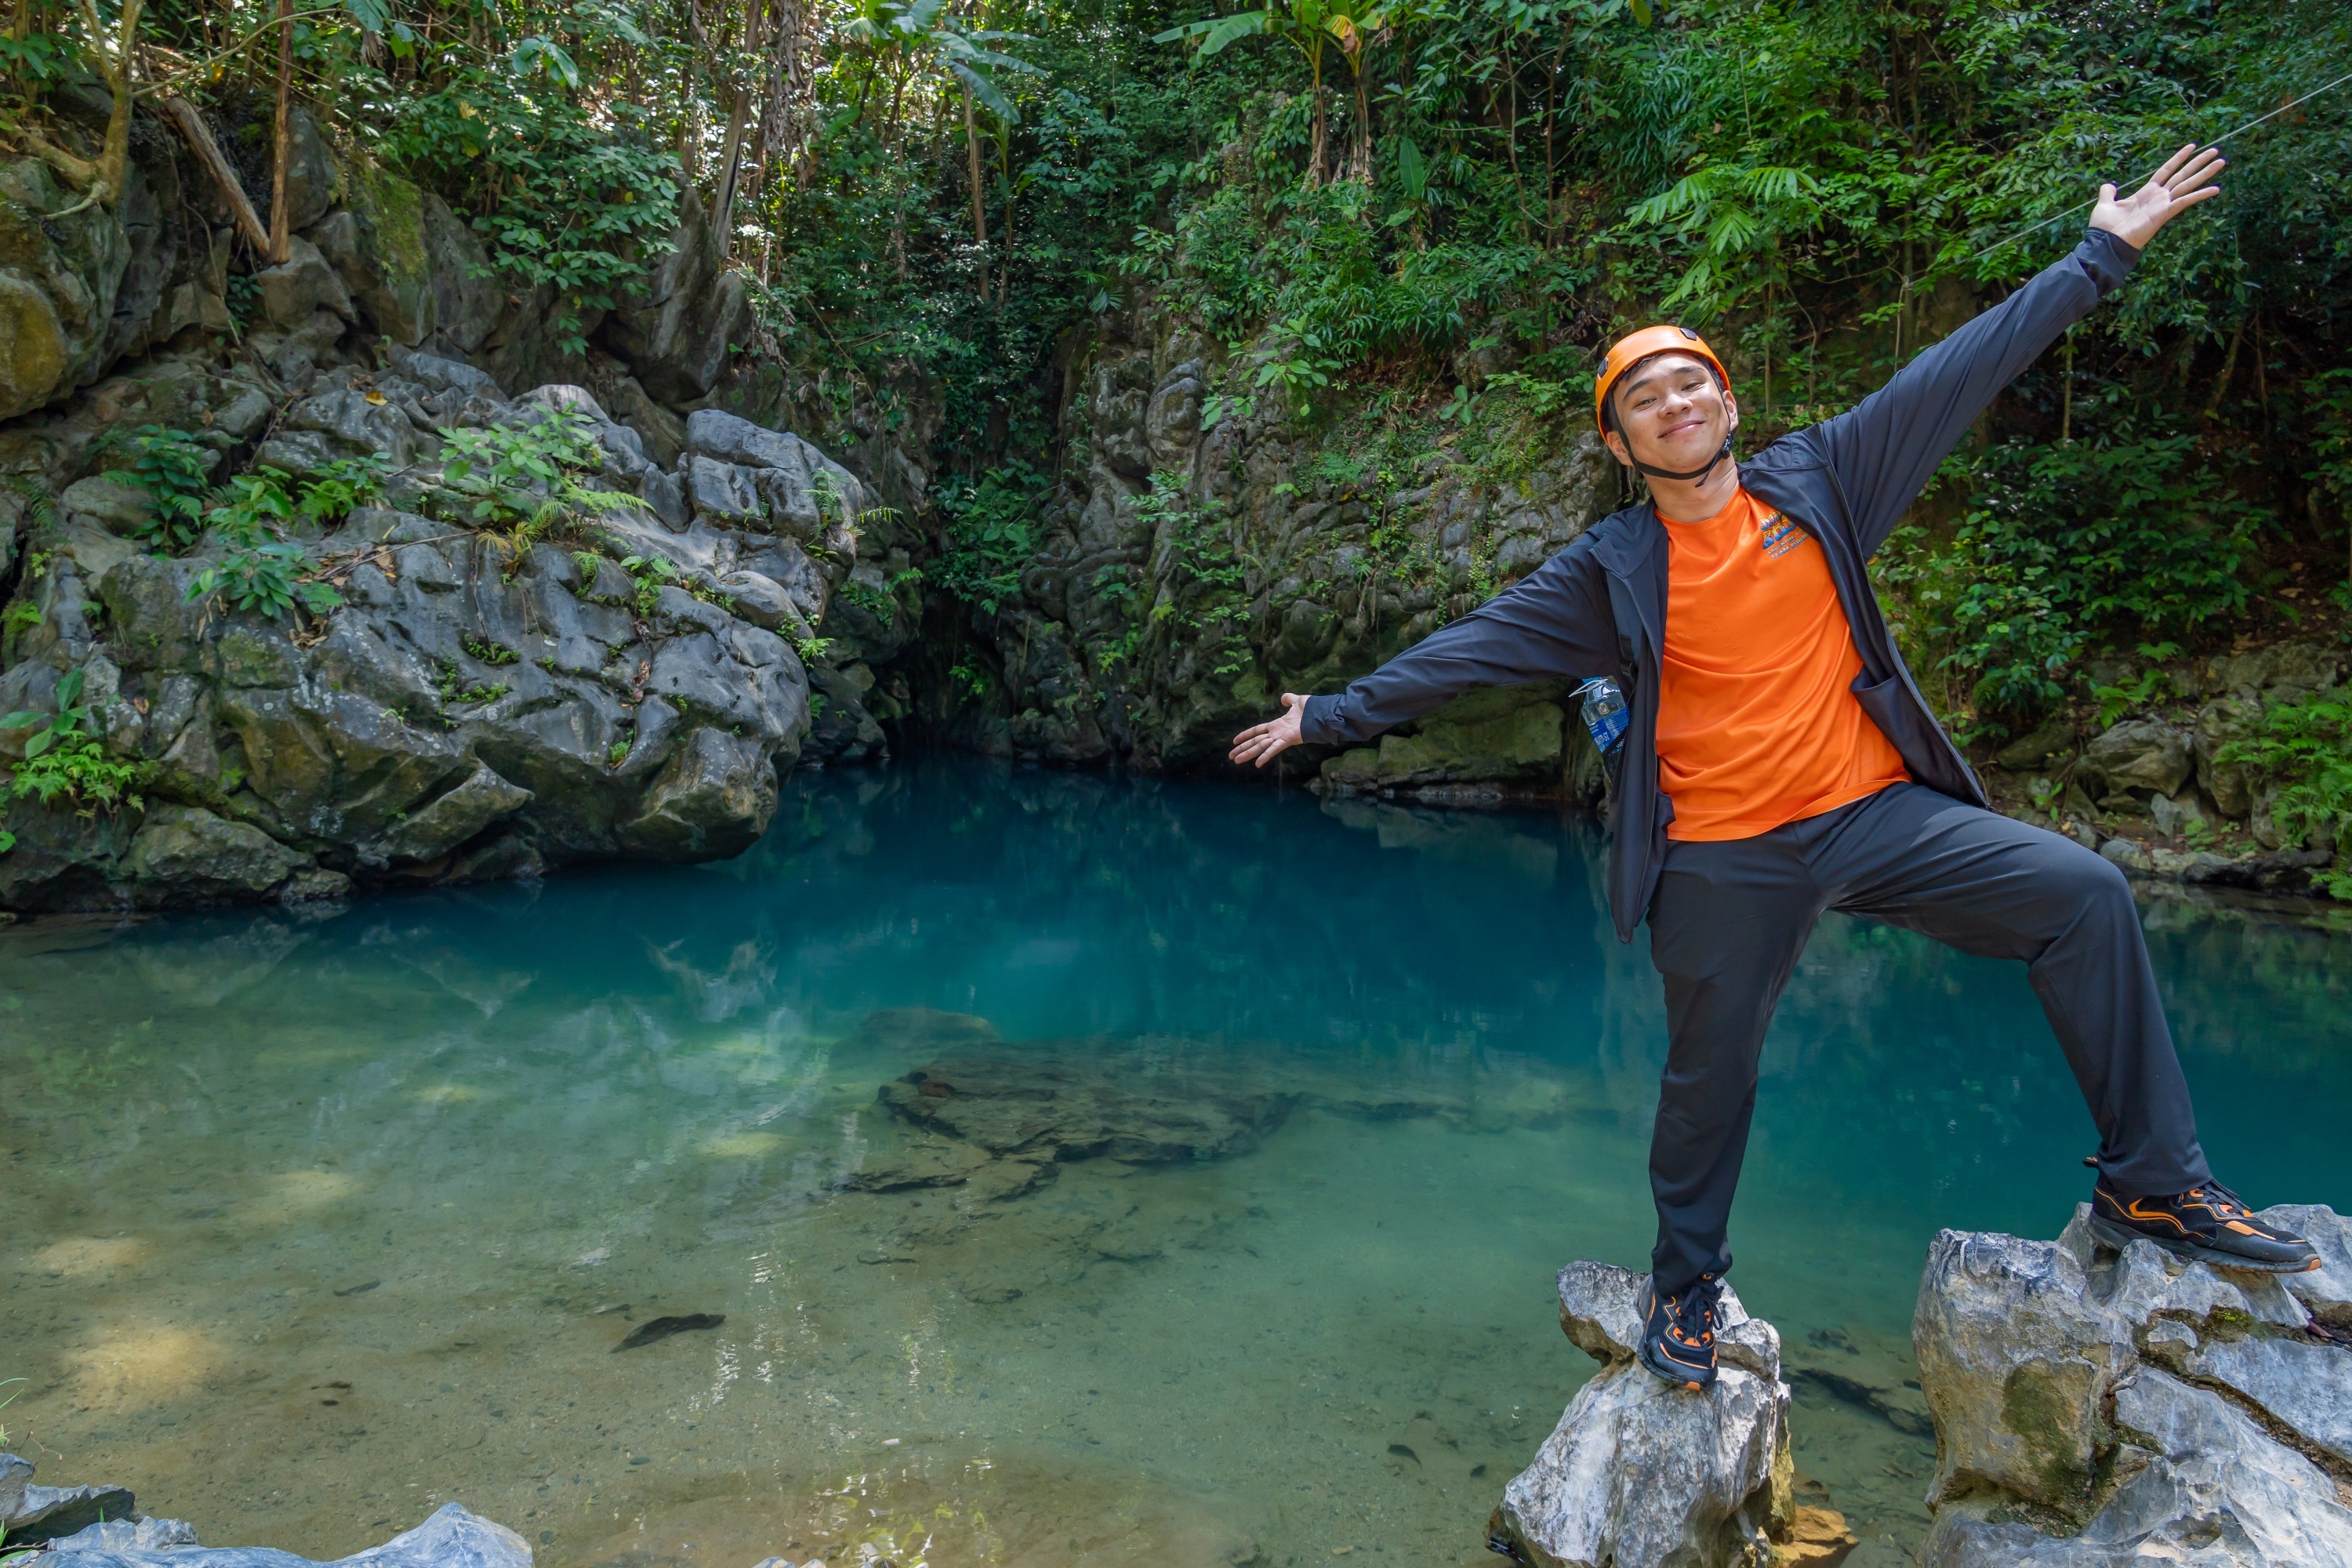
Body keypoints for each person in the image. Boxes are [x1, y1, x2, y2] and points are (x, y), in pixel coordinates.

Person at [1229, 145, 2321, 1392]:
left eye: (1694, 383)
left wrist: (2102, 254)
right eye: (1647, 399)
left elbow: (1960, 370)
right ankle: (1686, 1287)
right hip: (1723, 852)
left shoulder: (1827, 480)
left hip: (1870, 813)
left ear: (1730, 405)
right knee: (1711, 1071)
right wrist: (1333, 716)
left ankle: (2156, 1183)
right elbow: (1467, 651)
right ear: (1621, 442)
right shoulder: (1610, 570)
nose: (1677, 404)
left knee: (2084, 895)